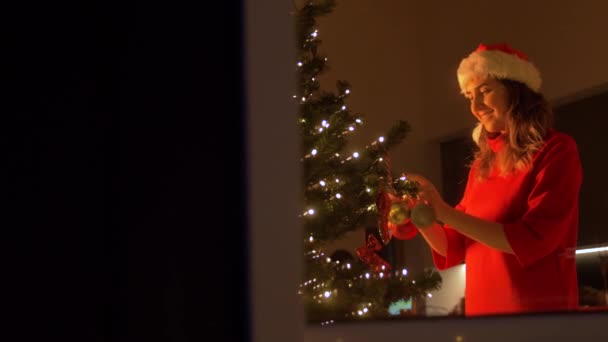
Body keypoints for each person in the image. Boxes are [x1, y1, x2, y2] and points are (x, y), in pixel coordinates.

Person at [407, 43, 583, 316]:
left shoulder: (556, 150)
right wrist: (420, 212)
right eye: (468, 96)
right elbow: (455, 244)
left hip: (538, 318)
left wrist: (443, 211)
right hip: (483, 316)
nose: (475, 106)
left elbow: (533, 239)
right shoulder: (481, 166)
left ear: (516, 90)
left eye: (485, 91)